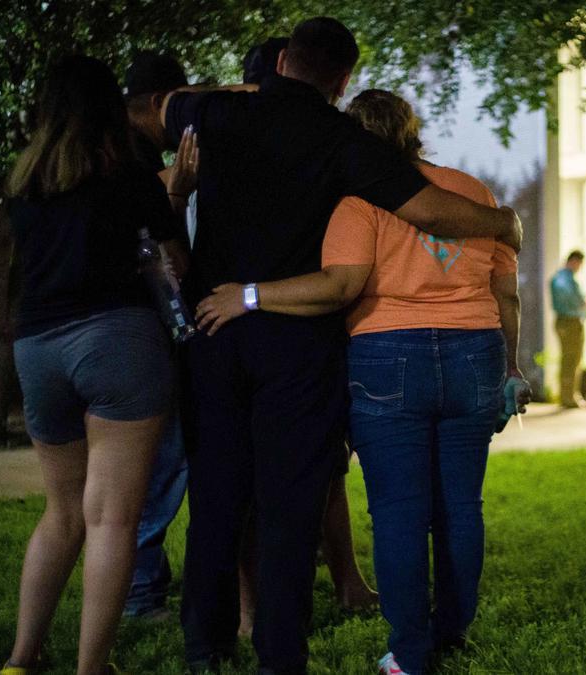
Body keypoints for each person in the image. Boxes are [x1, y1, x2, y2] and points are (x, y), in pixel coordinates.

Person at [153, 17, 522, 674]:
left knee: (216, 496)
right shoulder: (343, 144)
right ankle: (280, 654)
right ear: (344, 78)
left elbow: (164, 103)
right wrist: (501, 222)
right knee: (292, 507)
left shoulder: (212, 113)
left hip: (217, 330)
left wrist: (247, 92)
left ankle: (205, 646)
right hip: (299, 345)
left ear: (283, 61)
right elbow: (430, 213)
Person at [0, 55, 186, 675]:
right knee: (112, 516)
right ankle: (90, 670)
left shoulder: (22, 186)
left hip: (37, 348)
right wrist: (177, 193)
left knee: (61, 512)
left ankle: (21, 660)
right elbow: (174, 262)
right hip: (116, 341)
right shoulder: (129, 172)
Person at [231, 38, 380, 637]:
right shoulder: (244, 146)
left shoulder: (314, 148)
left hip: (293, 327)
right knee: (269, 478)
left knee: (321, 469)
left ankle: (336, 584)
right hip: (266, 326)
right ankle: (256, 612)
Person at [120, 51, 197, 622]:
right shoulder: (136, 164)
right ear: (155, 105)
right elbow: (169, 251)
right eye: (179, 105)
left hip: (67, 336)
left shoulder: (79, 154)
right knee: (162, 458)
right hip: (136, 334)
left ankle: (138, 587)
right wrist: (181, 189)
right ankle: (140, 593)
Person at [550, 250, 586, 407]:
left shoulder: (564, 278)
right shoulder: (563, 279)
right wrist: (581, 303)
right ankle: (568, 397)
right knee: (571, 359)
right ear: (574, 261)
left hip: (567, 321)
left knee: (570, 359)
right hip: (569, 322)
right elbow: (568, 297)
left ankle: (569, 395)